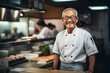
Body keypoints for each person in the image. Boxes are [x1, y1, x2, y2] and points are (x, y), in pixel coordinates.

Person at [50, 8, 98, 73]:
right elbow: (56, 53)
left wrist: (90, 70)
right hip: (62, 68)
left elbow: (91, 54)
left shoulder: (85, 34)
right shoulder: (59, 35)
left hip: (77, 69)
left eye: (72, 17)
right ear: (63, 20)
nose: (69, 20)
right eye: (66, 17)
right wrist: (54, 67)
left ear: (77, 19)